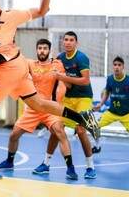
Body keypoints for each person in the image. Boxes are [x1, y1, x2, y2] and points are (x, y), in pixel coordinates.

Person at [0, 0, 99, 178]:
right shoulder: (11, 15)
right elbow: (42, 10)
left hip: (7, 69)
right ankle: (82, 118)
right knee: (39, 103)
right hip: (21, 64)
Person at [0, 38, 78, 180]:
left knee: (60, 132)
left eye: (45, 48)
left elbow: (68, 86)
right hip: (33, 108)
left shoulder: (57, 65)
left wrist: (61, 80)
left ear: (49, 51)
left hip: (50, 108)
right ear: (36, 50)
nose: (42, 51)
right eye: (39, 48)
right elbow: (15, 63)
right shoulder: (29, 64)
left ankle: (71, 168)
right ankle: (10, 161)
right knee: (14, 135)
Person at [34, 31, 97, 179]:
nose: (68, 42)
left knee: (81, 131)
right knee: (56, 128)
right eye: (66, 40)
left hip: (83, 98)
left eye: (71, 40)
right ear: (63, 42)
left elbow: (85, 80)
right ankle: (46, 164)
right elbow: (60, 80)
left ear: (76, 43)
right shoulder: (60, 58)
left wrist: (64, 77)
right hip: (68, 99)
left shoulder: (81, 58)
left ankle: (90, 167)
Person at [92, 56, 129, 163]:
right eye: (115, 65)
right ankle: (97, 146)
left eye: (119, 65)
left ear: (123, 67)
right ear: (113, 66)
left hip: (127, 113)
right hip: (112, 112)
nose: (117, 67)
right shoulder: (110, 79)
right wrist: (101, 104)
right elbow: (107, 92)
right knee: (95, 126)